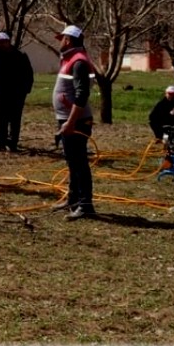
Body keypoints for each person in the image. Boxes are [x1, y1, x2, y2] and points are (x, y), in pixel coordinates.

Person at [52, 25, 96, 220]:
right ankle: (73, 199)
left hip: (76, 121)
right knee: (72, 162)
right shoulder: (70, 59)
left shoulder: (79, 62)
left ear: (68, 40)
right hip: (68, 119)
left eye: (62, 38)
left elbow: (82, 95)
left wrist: (70, 122)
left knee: (79, 163)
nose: (60, 41)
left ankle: (85, 205)